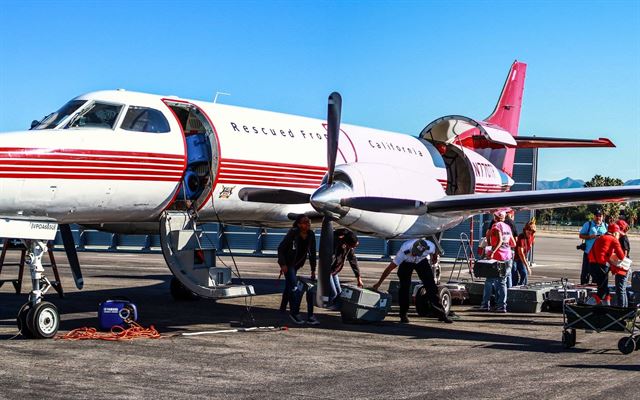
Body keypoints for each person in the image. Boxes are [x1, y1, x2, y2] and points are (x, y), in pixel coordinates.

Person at [372, 238, 452, 324]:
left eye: (417, 254)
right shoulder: (403, 251)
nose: (414, 255)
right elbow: (389, 268)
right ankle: (403, 315)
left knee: (431, 285)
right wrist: (379, 283)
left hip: (421, 262)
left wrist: (434, 257)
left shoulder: (429, 246)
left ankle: (441, 314)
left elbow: (435, 251)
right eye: (413, 253)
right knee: (404, 287)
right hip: (406, 263)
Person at [277, 214, 318, 325]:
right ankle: (294, 313)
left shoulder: (311, 234)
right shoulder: (293, 233)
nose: (308, 224)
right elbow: (280, 249)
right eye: (305, 222)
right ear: (299, 224)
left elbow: (313, 253)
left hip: (297, 264)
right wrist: (283, 264)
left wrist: (313, 270)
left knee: (289, 286)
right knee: (295, 287)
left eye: (309, 222)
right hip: (288, 264)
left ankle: (282, 310)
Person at [481, 210, 516, 312]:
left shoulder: (496, 226)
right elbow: (513, 243)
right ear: (504, 218)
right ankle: (502, 306)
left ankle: (485, 304)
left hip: (497, 257)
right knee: (502, 282)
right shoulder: (508, 227)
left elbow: (500, 240)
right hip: (507, 256)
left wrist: (492, 251)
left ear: (495, 217)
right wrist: (506, 245)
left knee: (489, 281)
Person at [587, 223, 625, 305]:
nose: (619, 236)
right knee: (601, 292)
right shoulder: (613, 239)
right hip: (601, 267)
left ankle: (607, 308)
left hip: (591, 265)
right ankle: (584, 308)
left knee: (605, 290)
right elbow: (621, 256)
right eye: (618, 233)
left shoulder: (600, 237)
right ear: (615, 232)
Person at [327, 228, 363, 309]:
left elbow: (353, 261)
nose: (354, 248)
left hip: (335, 271)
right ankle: (329, 308)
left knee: (339, 292)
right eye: (353, 246)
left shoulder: (349, 247)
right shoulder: (336, 243)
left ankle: (336, 307)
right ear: (347, 243)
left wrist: (358, 278)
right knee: (333, 293)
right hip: (327, 271)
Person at [578, 210, 607, 284]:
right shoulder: (588, 224)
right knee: (586, 273)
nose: (598, 217)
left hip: (600, 255)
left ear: (602, 217)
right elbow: (581, 235)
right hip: (589, 253)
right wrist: (590, 236)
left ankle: (596, 291)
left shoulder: (606, 226)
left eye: (600, 216)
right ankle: (583, 288)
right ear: (594, 216)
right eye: (596, 215)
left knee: (597, 274)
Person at [611, 219, 631, 307]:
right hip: (623, 266)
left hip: (623, 267)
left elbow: (624, 254)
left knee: (620, 290)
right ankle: (624, 310)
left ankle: (621, 310)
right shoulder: (623, 238)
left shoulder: (623, 238)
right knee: (621, 290)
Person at [512, 220, 536, 286]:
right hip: (515, 258)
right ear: (525, 230)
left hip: (521, 258)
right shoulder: (521, 237)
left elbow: (529, 248)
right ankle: (512, 289)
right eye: (527, 229)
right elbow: (521, 253)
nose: (529, 231)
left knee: (524, 274)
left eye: (531, 230)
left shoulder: (532, 237)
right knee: (515, 276)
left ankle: (522, 286)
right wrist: (527, 266)